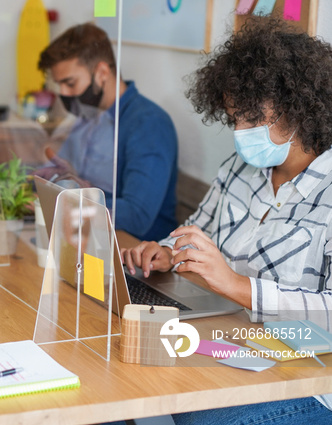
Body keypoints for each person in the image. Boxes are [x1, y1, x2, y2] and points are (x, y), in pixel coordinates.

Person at [122, 20, 332, 424]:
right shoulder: (240, 169)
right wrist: (168, 251)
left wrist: (238, 287)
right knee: (127, 371)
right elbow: (197, 228)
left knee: (193, 411)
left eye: (252, 120)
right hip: (237, 346)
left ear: (301, 109)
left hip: (310, 383)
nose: (239, 133)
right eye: (234, 118)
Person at [34, 22, 178, 241]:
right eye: (59, 85)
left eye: (70, 83)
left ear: (102, 72)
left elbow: (137, 215)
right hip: (87, 235)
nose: (64, 94)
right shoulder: (90, 116)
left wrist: (71, 202)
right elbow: (61, 172)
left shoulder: (149, 123)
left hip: (133, 251)